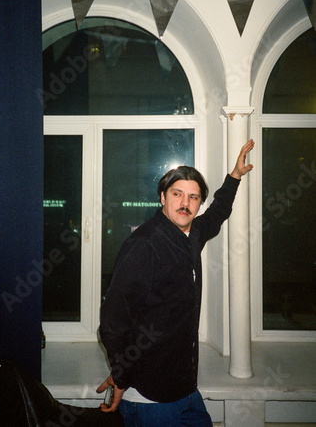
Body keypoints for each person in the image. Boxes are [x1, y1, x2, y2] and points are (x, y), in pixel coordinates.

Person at [97, 140, 255, 426]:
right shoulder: (144, 245)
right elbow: (113, 321)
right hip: (150, 398)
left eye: (193, 197)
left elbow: (218, 213)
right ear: (162, 197)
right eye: (177, 194)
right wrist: (121, 376)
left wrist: (234, 176)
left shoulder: (191, 234)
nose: (185, 203)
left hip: (184, 389)